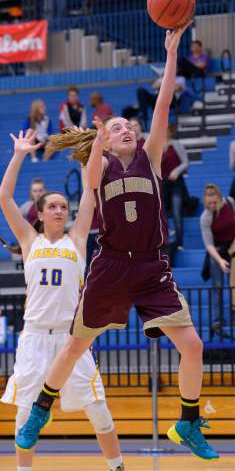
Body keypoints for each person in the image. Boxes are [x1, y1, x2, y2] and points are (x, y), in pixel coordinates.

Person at [16, 25, 219, 461]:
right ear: (106, 141)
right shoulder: (102, 169)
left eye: (130, 125)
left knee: (193, 345)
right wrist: (96, 141)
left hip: (150, 267)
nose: (127, 129)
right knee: (76, 345)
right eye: (117, 127)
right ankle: (40, 409)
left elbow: (162, 103)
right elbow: (89, 182)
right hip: (110, 266)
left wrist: (171, 53)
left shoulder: (149, 158)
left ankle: (186, 422)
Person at [0, 129, 125, 471]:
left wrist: (96, 146)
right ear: (40, 214)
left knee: (99, 410)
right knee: (26, 414)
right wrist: (19, 155)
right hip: (36, 338)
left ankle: (117, 466)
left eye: (62, 207)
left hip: (73, 341)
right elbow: (5, 198)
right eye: (52, 207)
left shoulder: (78, 239)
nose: (59, 211)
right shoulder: (29, 240)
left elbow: (90, 189)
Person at [200, 184, 235, 328]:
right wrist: (221, 261)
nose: (211, 205)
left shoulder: (229, 201)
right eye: (208, 203)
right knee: (217, 286)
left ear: (219, 198)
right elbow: (209, 245)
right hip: (217, 251)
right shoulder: (205, 217)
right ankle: (217, 321)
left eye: (214, 202)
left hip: (233, 248)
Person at [162, 123, 189, 249]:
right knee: (162, 214)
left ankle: (179, 242)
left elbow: (185, 162)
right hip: (163, 184)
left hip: (176, 183)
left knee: (177, 212)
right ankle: (166, 241)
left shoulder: (176, 144)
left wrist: (177, 171)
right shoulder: (156, 147)